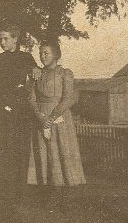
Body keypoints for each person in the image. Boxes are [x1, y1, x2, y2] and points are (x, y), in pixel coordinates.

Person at [0, 24, 39, 204]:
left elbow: (36, 78)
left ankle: (21, 193)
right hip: (3, 112)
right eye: (0, 39)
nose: (2, 42)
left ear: (16, 39)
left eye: (6, 38)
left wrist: (36, 71)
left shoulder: (27, 58)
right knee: (3, 151)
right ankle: (2, 193)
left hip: (22, 112)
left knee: (22, 151)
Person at [27, 40, 87, 195]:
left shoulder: (64, 73)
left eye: (46, 53)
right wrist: (41, 118)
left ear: (56, 55)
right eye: (40, 53)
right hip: (41, 118)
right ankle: (47, 191)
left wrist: (51, 118)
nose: (42, 56)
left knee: (60, 152)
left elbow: (69, 99)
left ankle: (65, 193)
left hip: (59, 118)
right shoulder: (37, 74)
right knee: (44, 153)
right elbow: (31, 99)